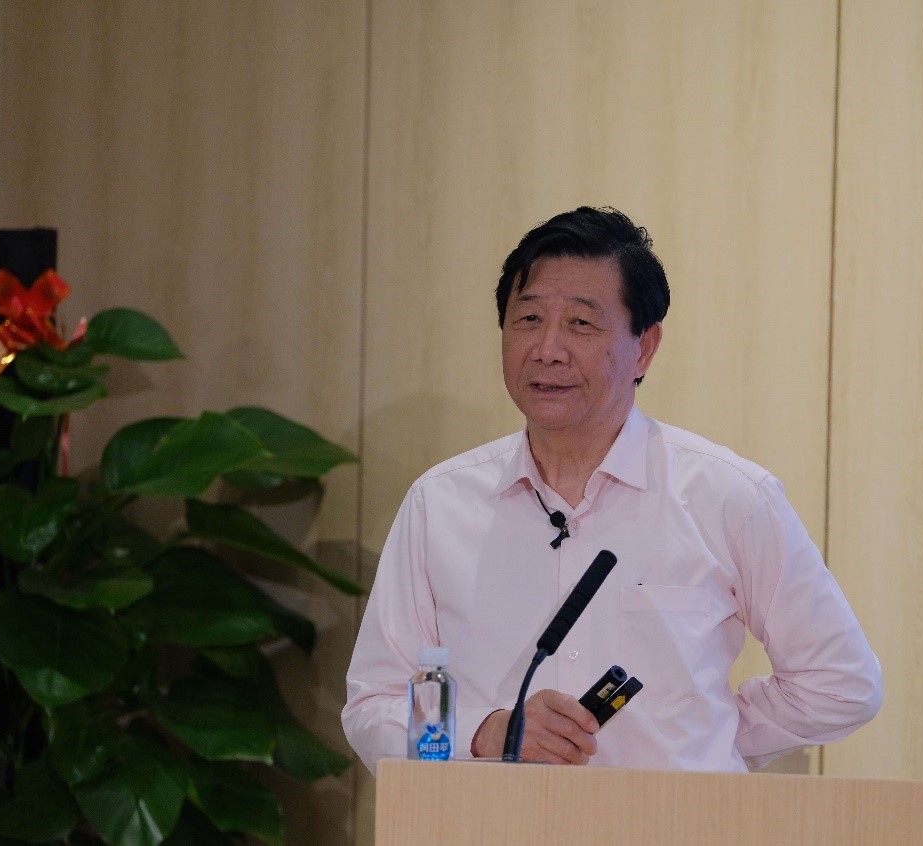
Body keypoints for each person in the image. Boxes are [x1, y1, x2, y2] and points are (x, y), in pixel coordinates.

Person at [341, 207, 882, 772]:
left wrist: (704, 734)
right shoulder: (440, 504)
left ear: (644, 347)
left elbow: (841, 683)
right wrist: (483, 731)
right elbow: (373, 709)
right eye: (528, 319)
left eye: (581, 324)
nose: (547, 348)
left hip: (667, 819)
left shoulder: (727, 497)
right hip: (495, 818)